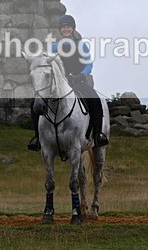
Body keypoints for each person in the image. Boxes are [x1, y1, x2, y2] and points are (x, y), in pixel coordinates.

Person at [28, 14, 109, 151]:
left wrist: (81, 75)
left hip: (77, 81)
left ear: (72, 29)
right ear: (60, 30)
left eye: (68, 27)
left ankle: (97, 134)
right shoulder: (54, 46)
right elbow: (47, 63)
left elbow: (88, 63)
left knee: (94, 98)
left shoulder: (81, 45)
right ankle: (38, 138)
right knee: (35, 103)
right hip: (59, 82)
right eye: (64, 27)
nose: (66, 29)